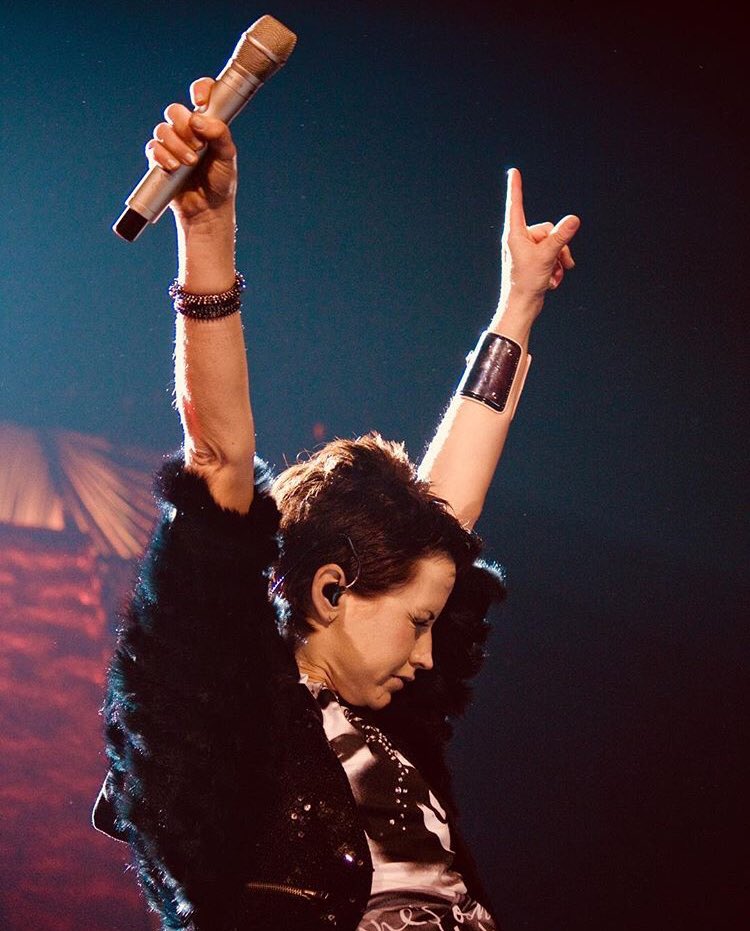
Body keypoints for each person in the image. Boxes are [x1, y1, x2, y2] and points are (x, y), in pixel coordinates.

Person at [93, 74, 579, 931]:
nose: (428, 654)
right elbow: (218, 462)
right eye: (419, 622)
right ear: (329, 589)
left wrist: (519, 306)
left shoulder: (389, 723)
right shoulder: (233, 722)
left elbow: (446, 514)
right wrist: (207, 229)